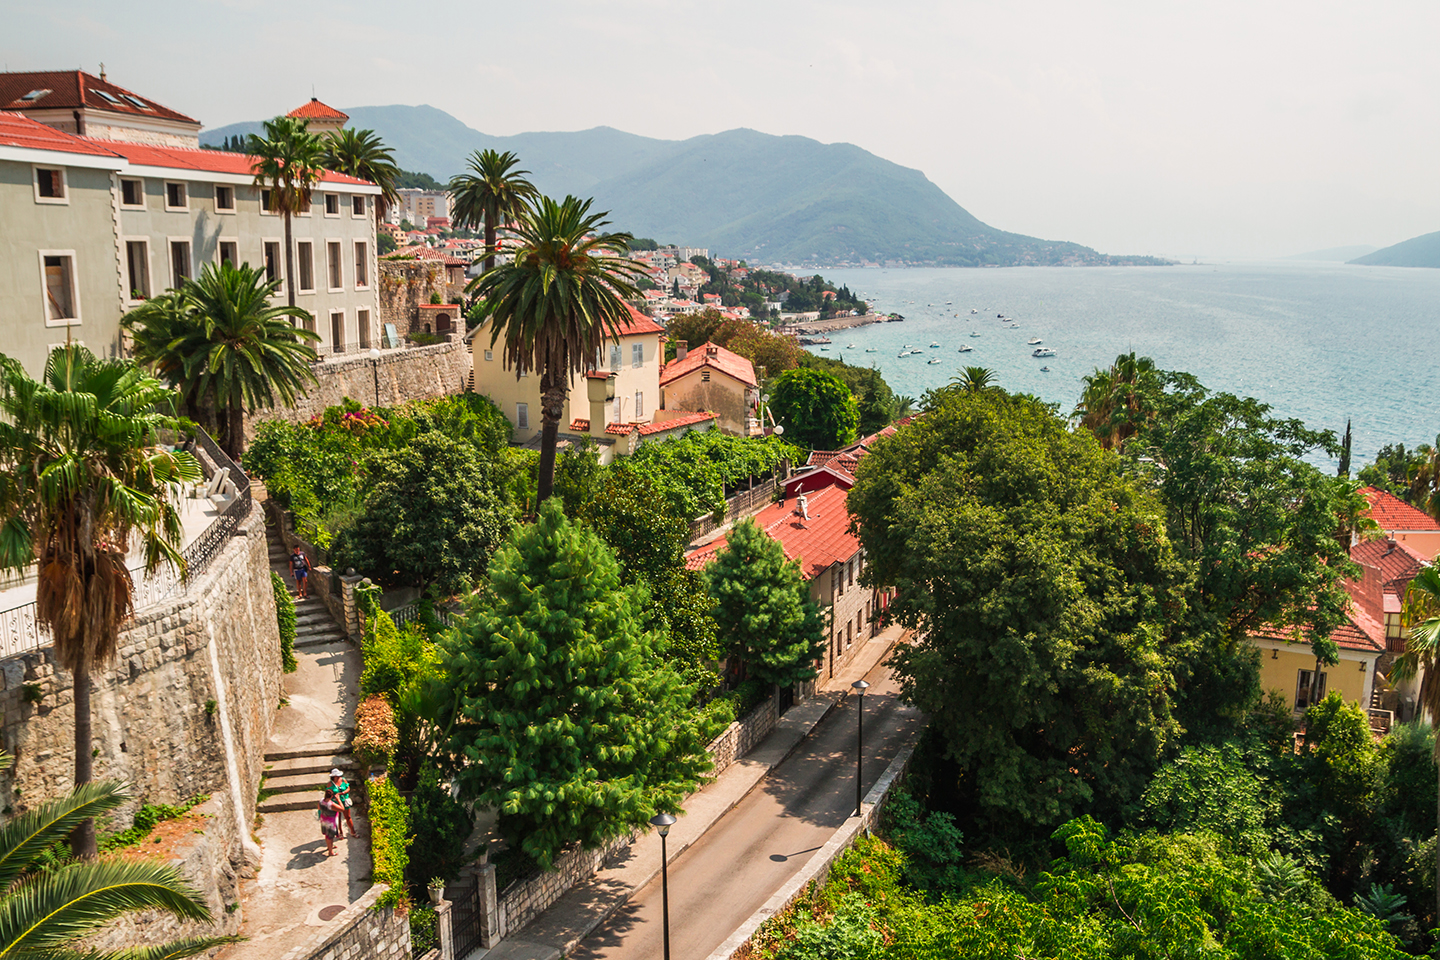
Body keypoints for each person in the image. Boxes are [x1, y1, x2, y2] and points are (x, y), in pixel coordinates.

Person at [329, 768, 357, 838]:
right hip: (336, 802)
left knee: (348, 817)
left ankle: (353, 831)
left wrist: (343, 793)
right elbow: (328, 793)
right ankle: (340, 832)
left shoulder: (343, 779)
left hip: (344, 801)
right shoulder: (330, 784)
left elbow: (348, 788)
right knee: (338, 818)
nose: (339, 777)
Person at [318, 787, 343, 856]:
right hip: (331, 822)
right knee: (330, 837)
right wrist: (338, 799)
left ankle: (329, 847)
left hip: (324, 820)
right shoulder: (331, 804)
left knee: (327, 835)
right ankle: (330, 852)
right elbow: (342, 809)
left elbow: (319, 808)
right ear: (332, 796)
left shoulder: (321, 801)